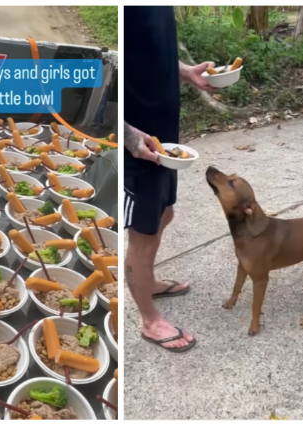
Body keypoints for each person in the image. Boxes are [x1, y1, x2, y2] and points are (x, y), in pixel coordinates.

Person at [124, 6, 215, 352]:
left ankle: (148, 282)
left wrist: (186, 72)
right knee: (143, 236)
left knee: (165, 215)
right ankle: (149, 320)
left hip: (164, 142)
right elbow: (109, 78)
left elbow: (147, 54)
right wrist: (129, 138)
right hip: (138, 147)